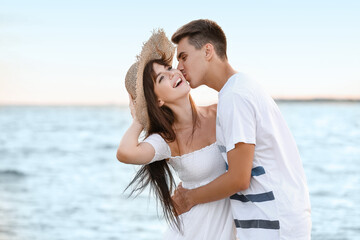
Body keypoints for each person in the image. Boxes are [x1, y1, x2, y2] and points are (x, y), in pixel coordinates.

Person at [170, 19, 312, 239]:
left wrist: (189, 198)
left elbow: (239, 178)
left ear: (208, 51)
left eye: (184, 57)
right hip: (273, 218)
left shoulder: (235, 96)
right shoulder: (236, 90)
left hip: (274, 222)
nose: (179, 66)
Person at [117, 29, 236, 240]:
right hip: (192, 232)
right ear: (158, 101)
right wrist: (139, 118)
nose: (174, 73)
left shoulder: (220, 110)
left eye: (170, 68)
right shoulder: (167, 140)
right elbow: (125, 153)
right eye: (162, 77)